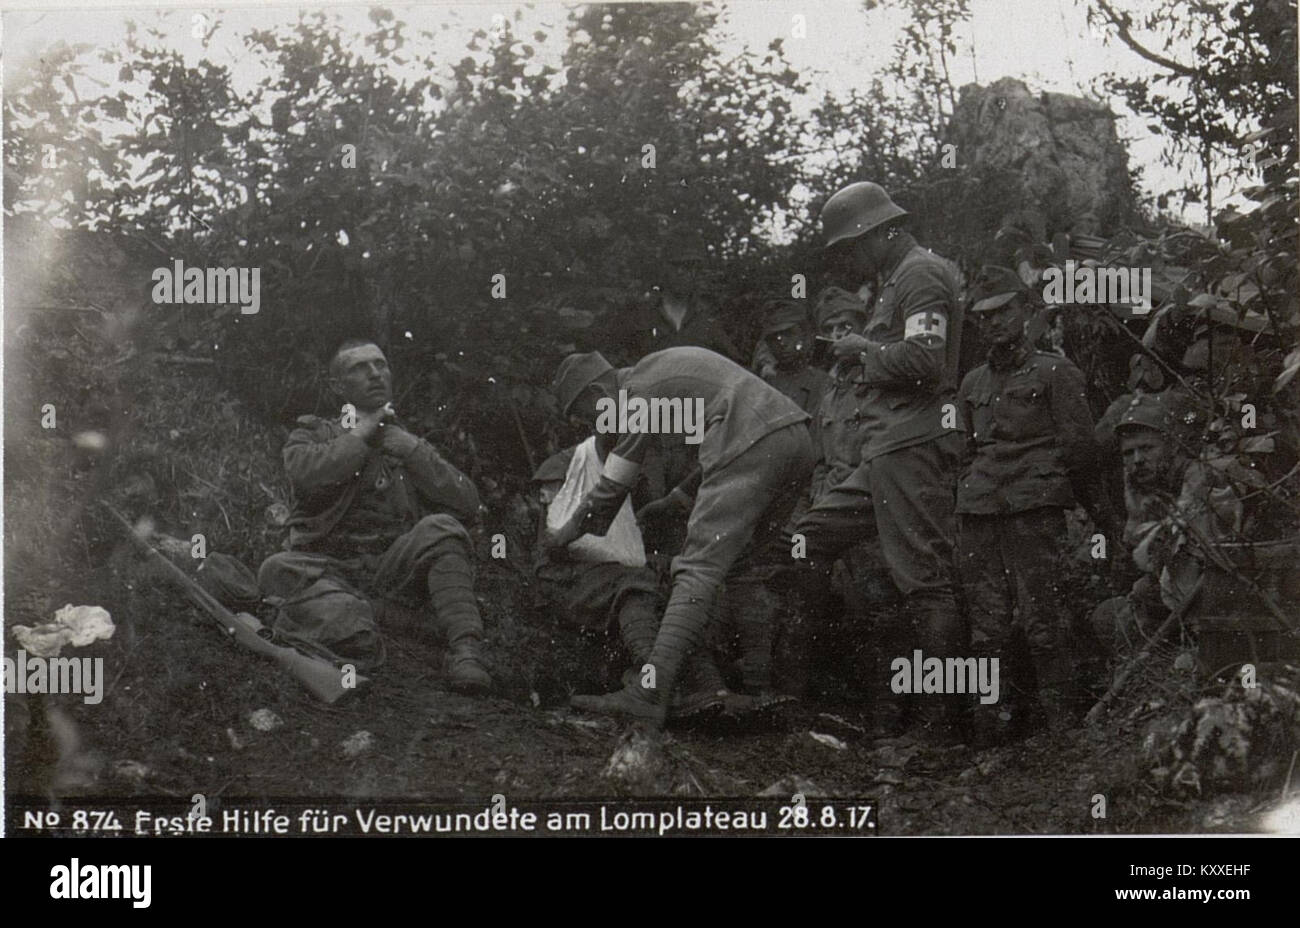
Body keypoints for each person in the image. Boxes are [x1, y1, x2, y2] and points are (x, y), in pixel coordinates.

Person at [780, 181, 968, 743]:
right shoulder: (897, 279)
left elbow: (926, 362)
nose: (848, 260)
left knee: (926, 584)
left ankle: (940, 727)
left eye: (849, 249)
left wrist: (865, 352)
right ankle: (828, 693)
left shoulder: (919, 274)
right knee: (807, 538)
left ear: (870, 234)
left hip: (911, 446)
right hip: (885, 449)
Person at [543, 347, 815, 725]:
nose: (595, 428)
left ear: (597, 397)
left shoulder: (636, 394)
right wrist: (677, 499)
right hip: (795, 438)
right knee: (742, 563)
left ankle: (650, 692)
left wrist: (563, 534)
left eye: (587, 417)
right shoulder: (659, 373)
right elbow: (721, 446)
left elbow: (611, 488)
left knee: (697, 567)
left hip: (753, 438)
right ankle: (758, 687)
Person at [257, 339, 492, 694]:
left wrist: (413, 451)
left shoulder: (406, 442)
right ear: (338, 386)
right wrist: (364, 433)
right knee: (275, 568)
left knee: (441, 528)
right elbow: (306, 473)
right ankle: (397, 621)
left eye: (381, 365)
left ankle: (466, 650)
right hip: (328, 567)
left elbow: (468, 501)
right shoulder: (314, 434)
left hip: (390, 567)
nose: (374, 373)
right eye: (359, 368)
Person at [956, 266, 1101, 742]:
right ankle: (990, 735)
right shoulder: (972, 383)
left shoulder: (1057, 372)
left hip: (1033, 510)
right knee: (986, 629)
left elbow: (1080, 450)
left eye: (1003, 311)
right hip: (979, 514)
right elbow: (962, 452)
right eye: (983, 316)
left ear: (1026, 310)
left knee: (1044, 620)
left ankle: (1063, 732)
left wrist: (1078, 506)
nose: (993, 323)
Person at [611, 236, 741, 366]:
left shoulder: (707, 321)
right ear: (663, 268)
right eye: (675, 265)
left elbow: (734, 369)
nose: (681, 272)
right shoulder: (639, 315)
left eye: (689, 267)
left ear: (697, 271)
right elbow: (612, 365)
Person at [753, 298, 828, 417]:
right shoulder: (761, 382)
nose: (782, 343)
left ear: (804, 335)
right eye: (774, 337)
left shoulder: (822, 382)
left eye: (788, 334)